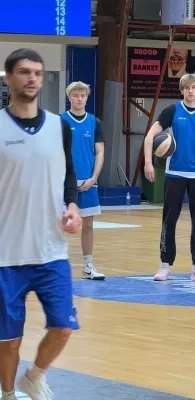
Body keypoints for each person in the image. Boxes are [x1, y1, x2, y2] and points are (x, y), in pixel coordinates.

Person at [0, 48, 82, 400]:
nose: (32, 78)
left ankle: (33, 376)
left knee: (64, 326)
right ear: (8, 78)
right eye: (23, 72)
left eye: (37, 72)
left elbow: (69, 175)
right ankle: (7, 394)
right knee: (8, 341)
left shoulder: (59, 126)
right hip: (6, 254)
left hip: (51, 250)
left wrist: (74, 205)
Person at [143, 73, 195, 282]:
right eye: (187, 88)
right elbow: (150, 136)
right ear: (182, 90)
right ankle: (165, 265)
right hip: (175, 173)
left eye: (194, 88)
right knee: (169, 220)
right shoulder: (172, 110)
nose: (191, 91)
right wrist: (149, 162)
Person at [61, 81, 106, 281]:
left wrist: (94, 178)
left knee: (88, 225)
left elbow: (100, 152)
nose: (79, 99)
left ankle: (88, 266)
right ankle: (57, 267)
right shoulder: (60, 121)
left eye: (83, 95)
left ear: (87, 98)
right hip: (64, 181)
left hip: (88, 181)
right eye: (76, 95)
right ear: (69, 97)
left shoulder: (94, 122)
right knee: (59, 225)